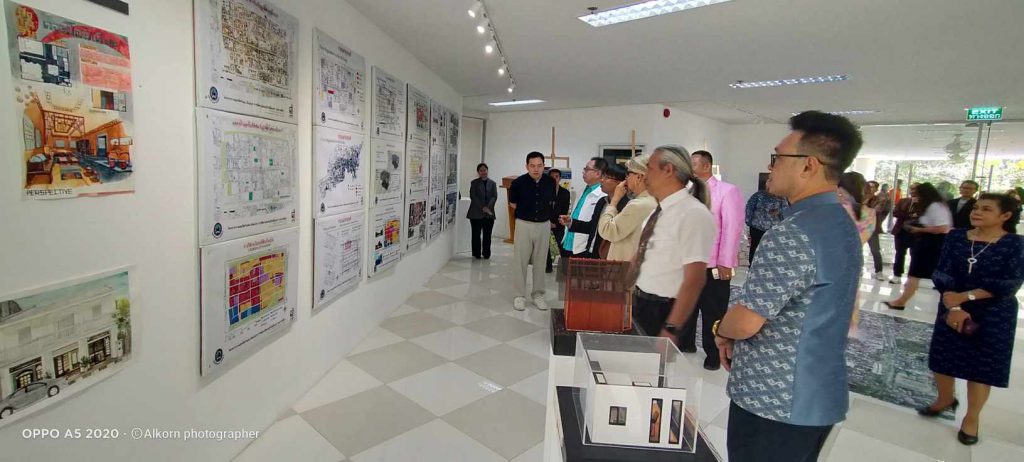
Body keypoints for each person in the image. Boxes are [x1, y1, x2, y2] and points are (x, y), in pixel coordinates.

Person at [713, 111, 863, 462]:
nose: (771, 166)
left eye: (778, 157)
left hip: (775, 400)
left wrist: (721, 329)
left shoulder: (793, 232)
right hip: (817, 392)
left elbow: (746, 322)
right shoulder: (840, 221)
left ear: (808, 165)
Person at [918, 193, 1023, 446]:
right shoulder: (956, 237)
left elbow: (1009, 283)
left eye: (986, 209)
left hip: (994, 312)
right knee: (942, 358)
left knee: (981, 368)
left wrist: (965, 297)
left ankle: (972, 418)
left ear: (1005, 216)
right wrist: (954, 305)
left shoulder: (1015, 244)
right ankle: (945, 399)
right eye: (976, 207)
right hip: (951, 304)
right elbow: (942, 272)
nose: (977, 212)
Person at [628, 145, 714, 348]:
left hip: (664, 310)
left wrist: (671, 328)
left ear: (668, 170)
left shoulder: (693, 214)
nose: (645, 175)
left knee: (655, 367)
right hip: (641, 302)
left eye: (649, 168)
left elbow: (694, 279)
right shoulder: (660, 210)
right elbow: (644, 255)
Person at [680, 150, 743, 370]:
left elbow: (732, 228)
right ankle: (686, 343)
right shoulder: (687, 191)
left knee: (713, 310)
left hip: (713, 263)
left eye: (693, 164)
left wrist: (726, 262)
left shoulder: (727, 191)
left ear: (706, 166)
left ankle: (713, 354)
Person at [885, 182, 952, 310]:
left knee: (918, 274)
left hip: (932, 243)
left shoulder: (935, 206)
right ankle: (901, 301)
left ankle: (901, 302)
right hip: (927, 241)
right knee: (915, 274)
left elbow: (942, 228)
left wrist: (919, 229)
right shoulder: (935, 205)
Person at [507, 152, 556, 311]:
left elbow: (551, 201)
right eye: (532, 166)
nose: (536, 169)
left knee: (540, 261)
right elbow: (513, 203)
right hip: (524, 224)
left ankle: (538, 294)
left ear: (544, 166)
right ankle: (519, 295)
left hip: (543, 225)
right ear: (526, 166)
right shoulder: (518, 183)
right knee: (520, 261)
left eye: (539, 166)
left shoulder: (550, 182)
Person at [558, 163, 630, 259]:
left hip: (611, 256)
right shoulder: (602, 202)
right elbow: (592, 227)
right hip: (592, 252)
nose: (602, 180)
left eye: (607, 177)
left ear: (620, 183)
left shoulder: (626, 206)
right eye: (603, 176)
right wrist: (571, 222)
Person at [598, 155, 658, 261]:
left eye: (628, 174)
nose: (626, 179)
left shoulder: (637, 205)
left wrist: (614, 200)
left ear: (639, 177)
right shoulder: (655, 200)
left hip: (625, 264)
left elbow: (606, 230)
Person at [561, 157, 607, 258]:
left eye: (587, 169)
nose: (583, 172)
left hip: (584, 246)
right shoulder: (583, 190)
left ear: (598, 173)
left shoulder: (603, 195)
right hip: (569, 242)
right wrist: (569, 221)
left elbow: (594, 225)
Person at [744, 183, 788, 265]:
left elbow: (786, 210)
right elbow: (749, 208)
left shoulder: (782, 197)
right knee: (755, 247)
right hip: (757, 228)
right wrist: (748, 222)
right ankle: (753, 265)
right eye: (767, 186)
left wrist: (778, 212)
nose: (768, 187)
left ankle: (768, 265)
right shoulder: (758, 195)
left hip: (773, 229)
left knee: (771, 248)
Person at [888, 183, 921, 284]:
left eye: (915, 189)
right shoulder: (903, 201)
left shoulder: (925, 203)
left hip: (916, 233)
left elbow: (921, 215)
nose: (913, 191)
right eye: (911, 189)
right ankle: (897, 275)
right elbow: (895, 212)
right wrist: (910, 214)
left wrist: (916, 207)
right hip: (901, 231)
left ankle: (911, 278)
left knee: (915, 256)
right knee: (899, 254)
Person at [466, 163, 498, 259]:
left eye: (485, 170)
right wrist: (482, 207)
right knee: (476, 234)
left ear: (487, 171)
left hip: (489, 214)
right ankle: (476, 253)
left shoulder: (493, 183)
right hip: (476, 213)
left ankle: (486, 253)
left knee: (487, 235)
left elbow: (494, 196)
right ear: (478, 172)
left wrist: (488, 207)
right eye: (481, 171)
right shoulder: (474, 183)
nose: (483, 172)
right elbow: (473, 196)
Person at [865, 180, 891, 280]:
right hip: (859, 227)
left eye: (872, 187)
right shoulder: (861, 198)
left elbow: (875, 211)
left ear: (876, 189)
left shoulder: (880, 199)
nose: (870, 189)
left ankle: (879, 271)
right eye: (868, 187)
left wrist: (865, 205)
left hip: (872, 227)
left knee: (875, 250)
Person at [546, 168, 571, 273]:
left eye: (556, 177)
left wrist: (555, 224)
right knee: (545, 247)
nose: (554, 179)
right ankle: (548, 267)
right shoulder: (543, 192)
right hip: (545, 223)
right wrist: (548, 222)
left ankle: (566, 268)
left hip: (559, 223)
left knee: (563, 246)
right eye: (552, 177)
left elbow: (564, 210)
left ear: (560, 178)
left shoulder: (565, 193)